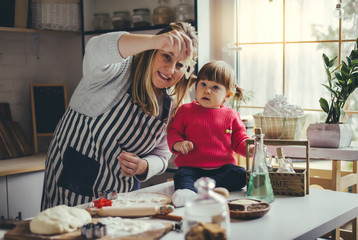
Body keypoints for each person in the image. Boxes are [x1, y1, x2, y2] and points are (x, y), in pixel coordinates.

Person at [41, 21, 198, 210]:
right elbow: (95, 48)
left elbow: (162, 155)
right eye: (166, 56)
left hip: (121, 195)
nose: (171, 70)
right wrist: (157, 40)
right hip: (71, 184)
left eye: (180, 65)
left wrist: (144, 166)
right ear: (152, 50)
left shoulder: (171, 105)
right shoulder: (115, 71)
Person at [167, 60, 254, 207]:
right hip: (191, 168)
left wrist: (250, 149)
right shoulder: (185, 111)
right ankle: (191, 192)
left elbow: (239, 140)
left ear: (227, 95)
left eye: (215, 87)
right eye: (203, 84)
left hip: (223, 169)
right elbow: (173, 132)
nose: (207, 90)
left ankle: (203, 188)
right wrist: (179, 144)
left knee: (240, 174)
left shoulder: (231, 115)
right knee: (181, 176)